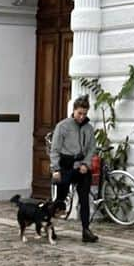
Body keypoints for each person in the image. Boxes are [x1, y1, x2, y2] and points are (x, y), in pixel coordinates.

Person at [50, 93, 99, 243]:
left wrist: (86, 164)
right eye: (79, 113)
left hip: (82, 167)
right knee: (60, 199)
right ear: (74, 111)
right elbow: (55, 149)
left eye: (84, 114)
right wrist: (55, 169)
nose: (82, 117)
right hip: (65, 166)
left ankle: (86, 230)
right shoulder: (63, 126)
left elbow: (92, 148)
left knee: (84, 199)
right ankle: (49, 227)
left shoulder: (89, 129)